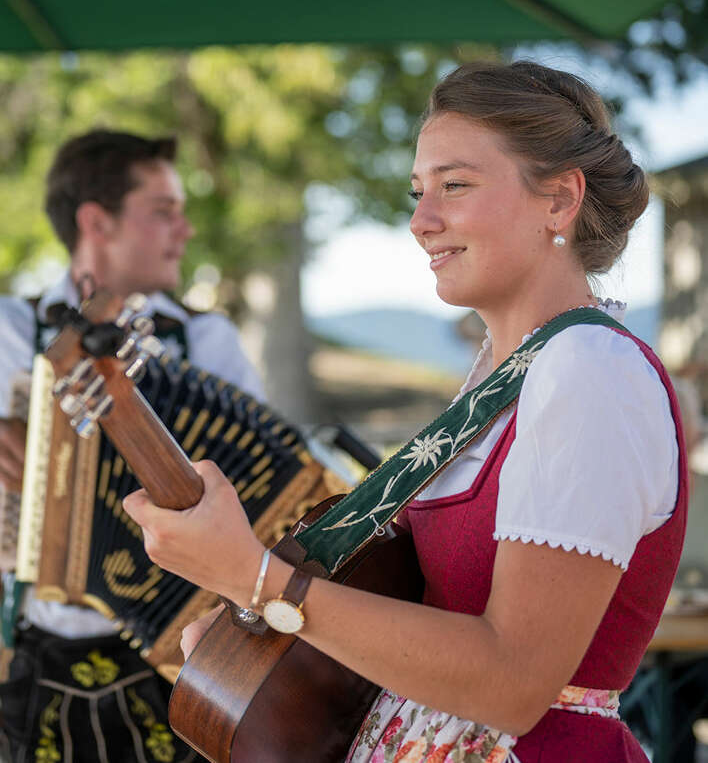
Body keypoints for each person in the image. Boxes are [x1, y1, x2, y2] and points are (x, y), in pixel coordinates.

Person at [124, 61, 689, 762]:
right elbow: (431, 627)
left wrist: (258, 578)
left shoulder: (590, 371)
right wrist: (276, 634)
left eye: (455, 186)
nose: (422, 221)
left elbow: (513, 682)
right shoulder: (500, 379)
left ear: (560, 200)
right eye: (419, 191)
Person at [0, 129, 264, 763]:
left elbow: (267, 492)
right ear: (95, 221)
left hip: (190, 655)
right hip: (44, 652)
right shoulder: (4, 330)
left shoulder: (207, 340)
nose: (185, 231)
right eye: (164, 211)